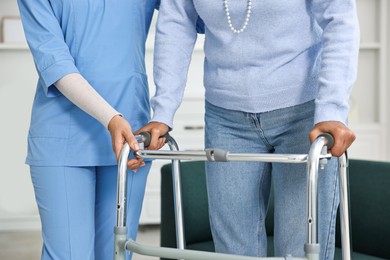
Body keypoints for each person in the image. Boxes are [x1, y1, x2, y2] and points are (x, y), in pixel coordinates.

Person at [139, 0, 359, 259]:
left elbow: (340, 19)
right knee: (233, 252)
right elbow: (176, 22)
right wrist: (163, 111)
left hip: (304, 114)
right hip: (226, 116)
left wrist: (332, 109)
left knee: (300, 250)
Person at [17, 0, 164, 259]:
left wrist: (165, 113)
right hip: (64, 138)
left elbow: (188, 18)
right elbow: (56, 63)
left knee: (116, 254)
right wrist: (111, 118)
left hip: (130, 138)